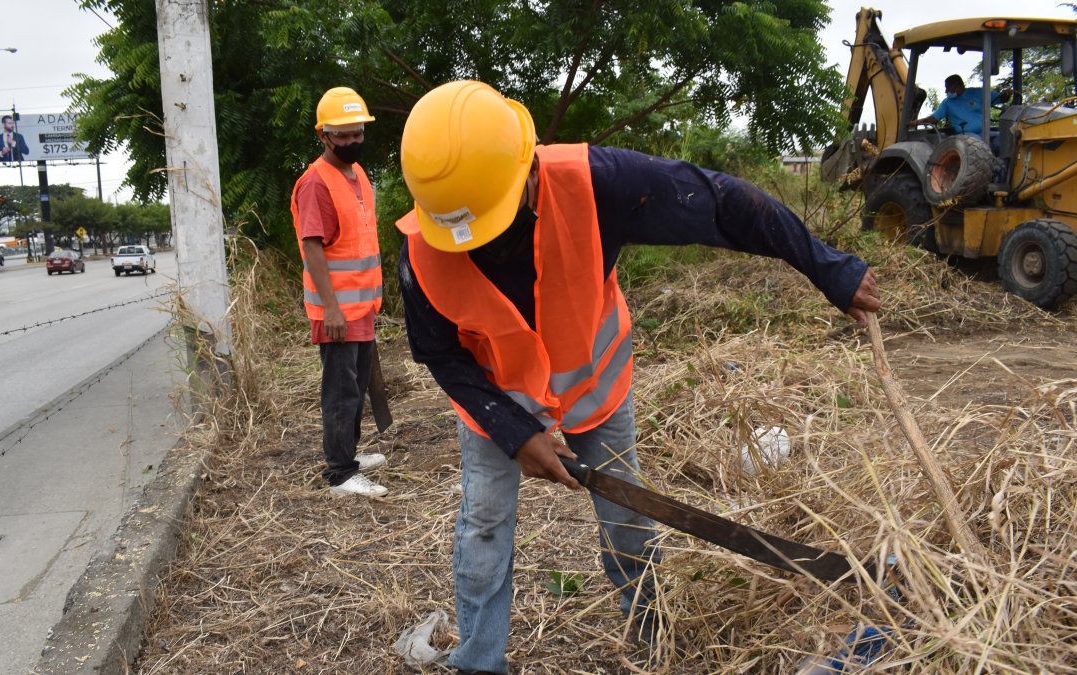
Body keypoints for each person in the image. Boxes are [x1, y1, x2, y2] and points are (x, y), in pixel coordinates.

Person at [394, 81, 881, 675]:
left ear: (526, 169)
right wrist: (512, 430)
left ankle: (652, 640)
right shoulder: (422, 249)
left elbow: (724, 203)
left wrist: (828, 267)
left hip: (595, 384)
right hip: (497, 398)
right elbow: (441, 356)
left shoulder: (598, 185)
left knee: (629, 522)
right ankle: (479, 661)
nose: (483, 244)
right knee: (485, 528)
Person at [290, 87, 388, 498]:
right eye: (343, 135)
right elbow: (313, 246)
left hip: (359, 306)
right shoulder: (316, 183)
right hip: (337, 312)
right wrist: (331, 308)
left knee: (357, 383)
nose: (352, 141)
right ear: (324, 137)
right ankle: (340, 473)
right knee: (340, 390)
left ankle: (347, 452)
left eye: (357, 133)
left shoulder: (358, 174)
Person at [911, 74, 1012, 137]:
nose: (946, 91)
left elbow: (1001, 98)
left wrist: (1007, 95)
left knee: (1003, 139)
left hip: (984, 132)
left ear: (957, 86)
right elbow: (933, 119)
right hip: (966, 136)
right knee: (978, 145)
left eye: (947, 87)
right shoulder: (947, 103)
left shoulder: (977, 93)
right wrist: (917, 122)